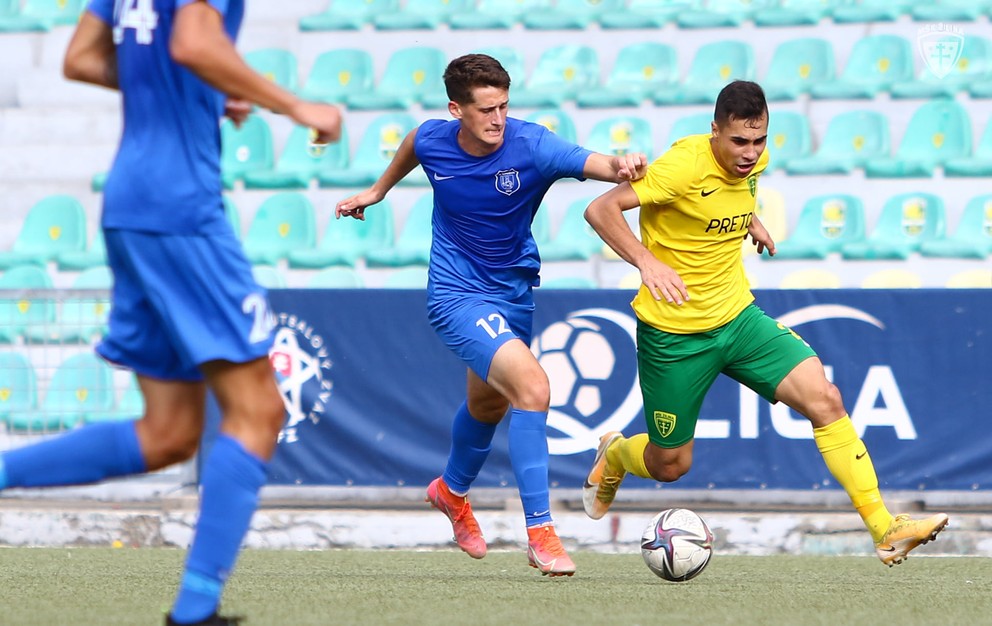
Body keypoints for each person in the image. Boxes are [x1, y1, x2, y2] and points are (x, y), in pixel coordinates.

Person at [0, 2, 341, 625]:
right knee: (259, 409)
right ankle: (194, 611)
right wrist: (292, 105)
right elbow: (191, 43)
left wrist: (206, 94)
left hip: (130, 201)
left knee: (168, 434)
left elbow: (82, 57)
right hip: (179, 209)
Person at [581, 80, 948, 567]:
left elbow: (733, 192)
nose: (750, 153)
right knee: (670, 465)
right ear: (715, 131)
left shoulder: (754, 162)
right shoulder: (682, 166)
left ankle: (885, 527)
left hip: (738, 319)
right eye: (739, 142)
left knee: (826, 398)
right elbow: (599, 208)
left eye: (759, 141)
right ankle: (617, 454)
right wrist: (646, 263)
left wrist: (748, 219)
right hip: (675, 336)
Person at [336, 53, 647, 577]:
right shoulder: (435, 138)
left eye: (504, 106)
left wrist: (625, 165)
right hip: (456, 295)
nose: (498, 119)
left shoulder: (533, 144)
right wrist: (378, 190)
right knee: (533, 388)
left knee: (487, 406)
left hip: (514, 293)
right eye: (486, 110)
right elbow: (414, 143)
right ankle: (542, 533)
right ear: (456, 109)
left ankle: (451, 492)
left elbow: (602, 166)